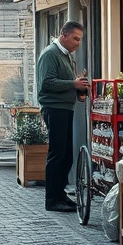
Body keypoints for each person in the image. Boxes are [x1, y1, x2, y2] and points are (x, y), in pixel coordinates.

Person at [37, 20, 90, 212]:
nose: (78, 43)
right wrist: (74, 84)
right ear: (64, 35)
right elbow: (47, 83)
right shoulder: (51, 54)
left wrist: (79, 87)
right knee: (58, 154)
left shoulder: (66, 56)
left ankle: (60, 195)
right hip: (55, 108)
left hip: (64, 108)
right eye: (75, 38)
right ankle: (52, 200)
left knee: (66, 155)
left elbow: (65, 82)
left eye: (80, 39)